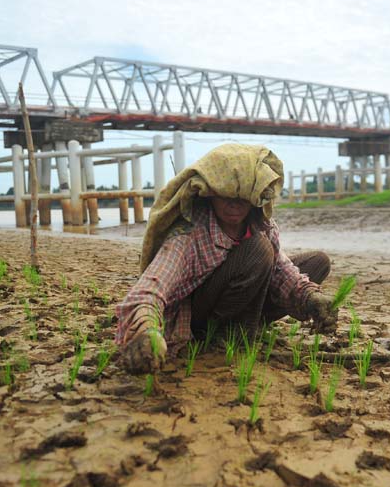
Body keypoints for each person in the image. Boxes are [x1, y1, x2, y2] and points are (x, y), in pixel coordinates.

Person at [115, 143, 337, 373]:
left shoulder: (260, 224)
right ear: (211, 194)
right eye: (226, 196)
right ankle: (224, 334)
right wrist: (146, 329)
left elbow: (281, 269)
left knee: (317, 263)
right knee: (259, 250)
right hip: (203, 316)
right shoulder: (190, 232)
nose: (234, 205)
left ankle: (251, 323)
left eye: (242, 198)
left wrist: (310, 298)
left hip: (245, 295)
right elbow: (151, 287)